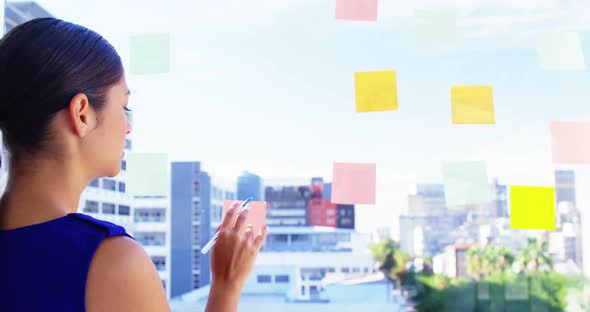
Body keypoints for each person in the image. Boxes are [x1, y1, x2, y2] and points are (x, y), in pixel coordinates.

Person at [0, 17, 267, 312]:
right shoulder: (111, 263)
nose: (128, 127)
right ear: (82, 114)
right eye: (124, 107)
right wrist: (226, 287)